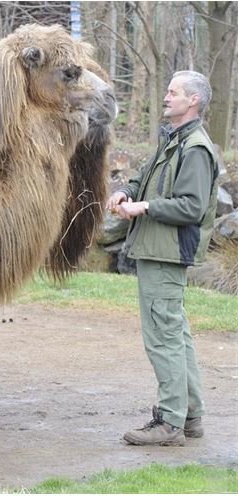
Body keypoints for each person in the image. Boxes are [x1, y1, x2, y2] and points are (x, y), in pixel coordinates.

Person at [106, 70, 219, 446]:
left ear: (194, 102)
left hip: (168, 253)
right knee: (176, 335)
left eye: (174, 93)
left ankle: (169, 422)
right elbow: (144, 177)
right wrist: (125, 192)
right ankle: (190, 416)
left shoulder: (196, 148)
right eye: (168, 91)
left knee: (163, 338)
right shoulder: (172, 139)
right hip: (157, 249)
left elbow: (191, 206)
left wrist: (145, 208)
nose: (166, 97)